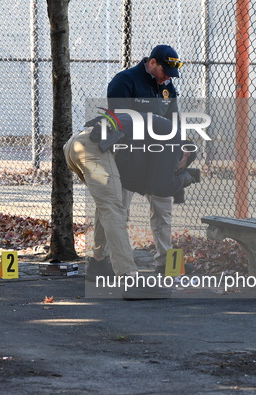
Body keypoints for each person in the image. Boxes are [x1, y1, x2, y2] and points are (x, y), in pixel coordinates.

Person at [64, 113, 194, 299]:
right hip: (95, 147)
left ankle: (98, 264)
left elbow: (144, 182)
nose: (173, 168)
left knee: (106, 206)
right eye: (178, 166)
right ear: (186, 153)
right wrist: (184, 178)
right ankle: (129, 276)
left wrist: (178, 178)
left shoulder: (155, 140)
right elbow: (161, 185)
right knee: (114, 209)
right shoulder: (172, 140)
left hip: (77, 144)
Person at [107, 45, 192, 273]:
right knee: (118, 212)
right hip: (127, 159)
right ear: (152, 63)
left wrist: (181, 147)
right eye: (166, 72)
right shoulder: (124, 81)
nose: (168, 79)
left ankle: (165, 264)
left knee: (163, 211)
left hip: (158, 160)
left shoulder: (167, 86)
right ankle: (114, 263)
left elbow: (174, 121)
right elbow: (119, 122)